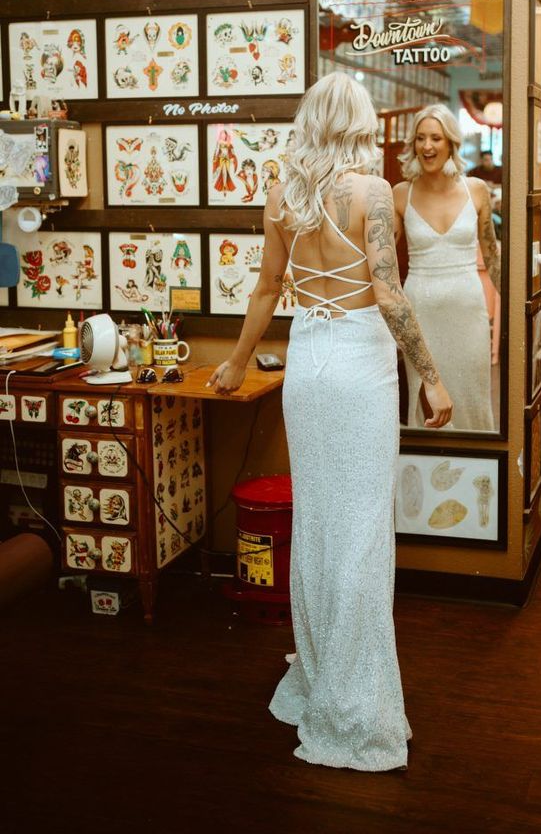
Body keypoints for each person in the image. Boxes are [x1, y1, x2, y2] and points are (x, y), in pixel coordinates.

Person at [207, 73, 452, 772]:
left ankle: (318, 677)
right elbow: (388, 294)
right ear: (360, 123)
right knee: (362, 531)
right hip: (359, 363)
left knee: (318, 525)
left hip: (307, 364)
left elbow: (263, 287)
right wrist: (430, 375)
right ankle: (353, 707)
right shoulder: (372, 194)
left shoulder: (283, 194)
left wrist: (234, 363)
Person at [394, 105, 500, 431]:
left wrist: (515, 312)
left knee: (471, 399)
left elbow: (493, 258)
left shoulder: (477, 190)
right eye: (421, 138)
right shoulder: (400, 194)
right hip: (420, 318)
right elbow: (379, 262)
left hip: (468, 316)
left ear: (451, 143)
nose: (427, 146)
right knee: (423, 404)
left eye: (436, 138)